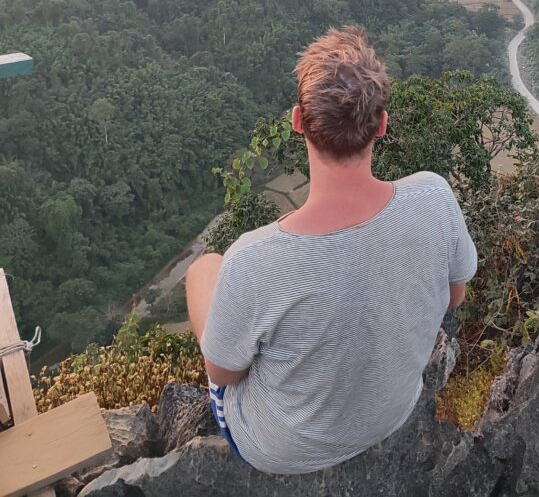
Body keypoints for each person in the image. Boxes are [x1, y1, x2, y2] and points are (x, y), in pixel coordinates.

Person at [185, 25, 477, 475]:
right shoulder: (434, 197)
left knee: (204, 267)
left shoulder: (255, 258)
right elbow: (455, 297)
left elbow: (223, 375)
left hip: (278, 450)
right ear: (381, 124)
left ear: (298, 122)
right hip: (394, 411)